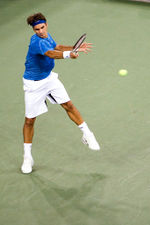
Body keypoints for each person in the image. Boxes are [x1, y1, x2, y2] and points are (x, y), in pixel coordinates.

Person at [21, 12, 100, 174]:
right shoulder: (36, 42)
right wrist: (68, 55)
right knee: (29, 121)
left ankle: (87, 134)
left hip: (49, 79)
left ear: (46, 24)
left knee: (68, 105)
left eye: (42, 27)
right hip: (33, 85)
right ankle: (27, 156)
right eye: (37, 29)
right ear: (34, 30)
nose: (40, 31)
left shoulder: (47, 36)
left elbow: (56, 47)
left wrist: (74, 47)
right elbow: (51, 54)